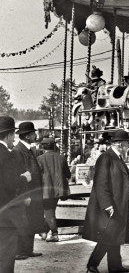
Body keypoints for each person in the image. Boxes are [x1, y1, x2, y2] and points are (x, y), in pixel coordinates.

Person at [83, 129, 129, 273]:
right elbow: (101, 183)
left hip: (119, 203)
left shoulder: (116, 157)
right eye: (127, 144)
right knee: (109, 235)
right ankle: (92, 265)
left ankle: (114, 266)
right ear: (119, 144)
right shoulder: (106, 158)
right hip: (111, 204)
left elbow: (115, 179)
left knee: (116, 234)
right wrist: (107, 204)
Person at [1, 116, 33, 273]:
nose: (14, 138)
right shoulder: (6, 155)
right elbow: (10, 183)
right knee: (7, 253)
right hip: (5, 213)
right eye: (13, 134)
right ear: (7, 135)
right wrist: (24, 177)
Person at [13, 121, 44, 260]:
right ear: (27, 136)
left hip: (34, 193)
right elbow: (20, 174)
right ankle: (19, 251)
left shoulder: (27, 149)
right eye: (33, 133)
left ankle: (28, 249)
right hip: (28, 193)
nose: (35, 135)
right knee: (24, 221)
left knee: (31, 220)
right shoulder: (18, 151)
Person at [37, 137, 70, 242]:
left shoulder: (40, 159)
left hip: (46, 189)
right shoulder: (61, 158)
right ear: (54, 146)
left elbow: (37, 176)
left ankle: (54, 234)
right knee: (51, 210)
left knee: (48, 211)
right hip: (59, 189)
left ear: (43, 147)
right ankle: (44, 232)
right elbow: (68, 174)